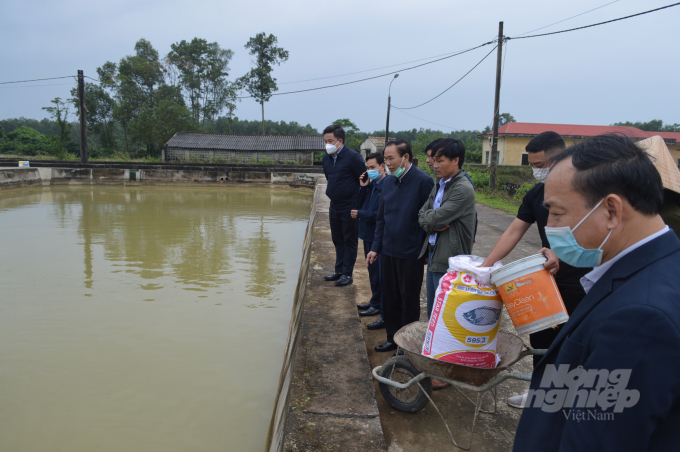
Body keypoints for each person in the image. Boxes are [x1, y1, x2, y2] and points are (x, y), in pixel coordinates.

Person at [514, 134, 680, 451]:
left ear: (612, 211)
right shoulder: (649, 268)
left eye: (558, 213)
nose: (550, 226)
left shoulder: (641, 319)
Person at [480, 131, 591, 409]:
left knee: (574, 342)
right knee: (542, 339)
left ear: (561, 159)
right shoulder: (535, 195)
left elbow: (593, 232)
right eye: (532, 165)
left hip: (581, 282)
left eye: (541, 165)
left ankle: (572, 398)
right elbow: (514, 231)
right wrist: (485, 266)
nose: (536, 171)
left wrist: (562, 251)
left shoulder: (584, 191)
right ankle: (539, 393)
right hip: (546, 281)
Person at [367, 140, 434, 352]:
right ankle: (392, 339)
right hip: (388, 250)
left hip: (411, 252)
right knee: (391, 298)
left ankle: (407, 345)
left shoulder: (423, 181)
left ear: (405, 157)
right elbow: (381, 219)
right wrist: (376, 247)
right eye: (385, 159)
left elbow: (430, 219)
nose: (387, 163)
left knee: (409, 301)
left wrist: (425, 251)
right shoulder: (388, 182)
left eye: (390, 158)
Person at [419, 138, 476, 320]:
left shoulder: (462, 188)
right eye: (434, 160)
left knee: (445, 316)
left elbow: (433, 217)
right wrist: (430, 222)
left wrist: (429, 220)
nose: (434, 165)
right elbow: (422, 214)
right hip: (435, 254)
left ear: (455, 160)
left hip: (451, 260)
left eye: (440, 160)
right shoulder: (440, 183)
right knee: (433, 312)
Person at [321, 124, 366, 287]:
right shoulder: (326, 159)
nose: (327, 144)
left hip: (350, 205)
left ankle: (347, 273)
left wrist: (359, 206)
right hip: (335, 204)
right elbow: (329, 178)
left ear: (340, 141)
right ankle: (339, 270)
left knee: (349, 240)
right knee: (337, 239)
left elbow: (364, 181)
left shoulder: (353, 157)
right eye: (325, 141)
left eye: (330, 141)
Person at [352, 152, 386, 329]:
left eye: (372, 167)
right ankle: (374, 301)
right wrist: (363, 187)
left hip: (377, 236)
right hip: (367, 234)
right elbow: (360, 203)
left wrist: (361, 214)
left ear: (382, 166)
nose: (369, 171)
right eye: (367, 168)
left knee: (378, 273)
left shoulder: (385, 186)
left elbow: (379, 215)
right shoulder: (372, 186)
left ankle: (378, 305)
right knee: (372, 272)